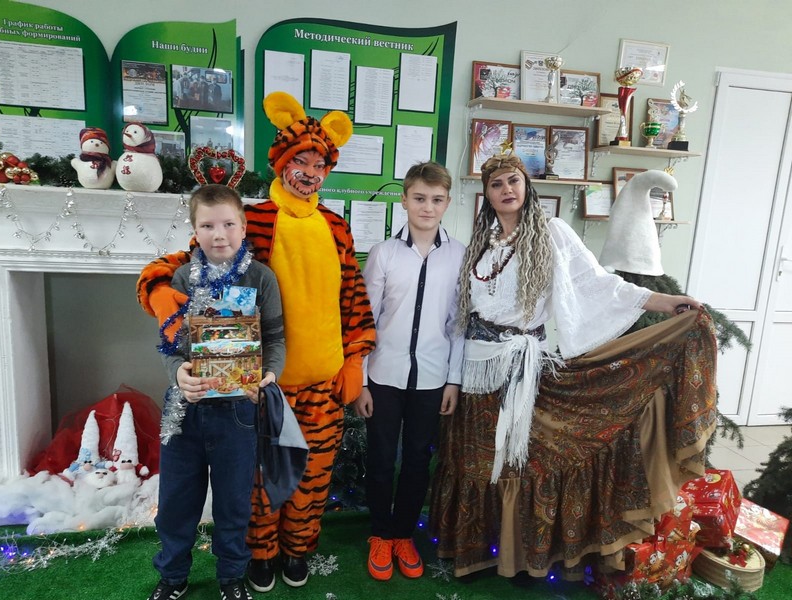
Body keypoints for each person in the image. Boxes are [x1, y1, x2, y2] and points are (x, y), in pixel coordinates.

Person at [429, 149, 719, 580]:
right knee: (476, 459)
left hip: (523, 367)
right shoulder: (481, 243)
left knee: (518, 461)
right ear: (486, 194)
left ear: (526, 187)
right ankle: (475, 550)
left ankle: (518, 554)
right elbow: (463, 315)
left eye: (513, 181)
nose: (506, 190)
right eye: (496, 184)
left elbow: (601, 284)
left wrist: (664, 302)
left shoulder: (552, 233)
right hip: (476, 370)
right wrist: (453, 378)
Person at [137, 91, 375, 593]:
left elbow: (352, 293)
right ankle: (260, 555)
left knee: (312, 477)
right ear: (281, 163)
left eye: (319, 164)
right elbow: (197, 258)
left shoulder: (337, 227)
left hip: (324, 381)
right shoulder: (256, 219)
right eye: (300, 161)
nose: (310, 172)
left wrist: (356, 358)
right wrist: (159, 291)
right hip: (264, 385)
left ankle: (297, 550)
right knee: (259, 481)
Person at [148, 184, 286, 600]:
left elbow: (276, 339)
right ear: (195, 230)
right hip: (185, 410)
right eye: (207, 226)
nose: (219, 234)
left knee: (233, 505)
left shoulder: (261, 278)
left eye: (228, 224)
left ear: (243, 227)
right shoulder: (180, 278)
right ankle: (173, 576)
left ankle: (231, 577)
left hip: (237, 413)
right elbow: (169, 344)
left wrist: (269, 375)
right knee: (175, 504)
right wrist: (178, 375)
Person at [354, 161, 465, 582]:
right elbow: (366, 320)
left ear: (447, 203)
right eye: (419, 198)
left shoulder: (459, 255)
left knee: (418, 459)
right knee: (382, 458)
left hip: (432, 378)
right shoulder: (384, 253)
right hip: (384, 376)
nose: (427, 207)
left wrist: (453, 379)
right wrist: (362, 381)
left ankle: (403, 535)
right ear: (404, 200)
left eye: (436, 199)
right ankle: (380, 534)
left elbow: (459, 323)